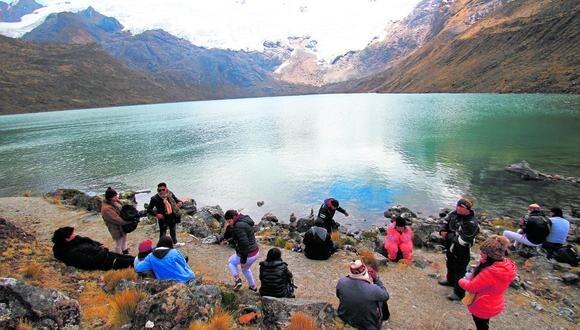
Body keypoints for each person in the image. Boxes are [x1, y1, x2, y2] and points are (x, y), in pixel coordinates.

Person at [459, 235, 517, 330]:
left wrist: (461, 280)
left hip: (483, 305)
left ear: (490, 254)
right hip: (494, 303)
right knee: (484, 323)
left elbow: (471, 287)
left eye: (483, 251)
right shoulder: (505, 266)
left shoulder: (490, 273)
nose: (480, 253)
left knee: (480, 324)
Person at [438, 197, 480, 301]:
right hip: (450, 247)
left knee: (460, 271)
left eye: (462, 206)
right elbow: (445, 222)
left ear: (468, 209)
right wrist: (442, 230)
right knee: (450, 264)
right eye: (458, 205)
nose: (458, 208)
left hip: (462, 251)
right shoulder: (454, 214)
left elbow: (463, 240)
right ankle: (450, 280)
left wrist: (447, 235)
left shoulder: (472, 223)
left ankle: (459, 293)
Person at [336, 260, 390, 330]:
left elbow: (338, 295)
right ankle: (385, 317)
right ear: (365, 272)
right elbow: (386, 296)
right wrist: (376, 279)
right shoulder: (373, 289)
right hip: (367, 325)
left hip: (344, 317)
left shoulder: (341, 281)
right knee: (381, 299)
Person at [52, 226, 134, 270]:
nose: (75, 234)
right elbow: (92, 262)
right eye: (72, 234)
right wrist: (103, 249)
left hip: (105, 254)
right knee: (130, 262)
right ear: (67, 239)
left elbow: (89, 241)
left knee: (130, 258)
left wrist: (100, 245)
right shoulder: (72, 253)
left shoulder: (75, 240)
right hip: (104, 263)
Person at [225, 209, 260, 291]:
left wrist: (243, 261)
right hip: (255, 252)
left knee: (231, 262)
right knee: (245, 269)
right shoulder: (244, 220)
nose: (229, 224)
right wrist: (229, 241)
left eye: (229, 221)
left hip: (248, 254)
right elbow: (241, 237)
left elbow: (244, 244)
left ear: (234, 217)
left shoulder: (238, 226)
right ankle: (253, 287)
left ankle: (238, 281)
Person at [101, 187, 130, 254]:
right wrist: (128, 222)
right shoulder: (106, 209)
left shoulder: (114, 202)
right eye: (115, 196)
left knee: (124, 241)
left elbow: (122, 209)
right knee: (118, 244)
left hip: (122, 227)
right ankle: (119, 257)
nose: (117, 197)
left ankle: (125, 253)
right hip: (115, 228)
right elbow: (117, 219)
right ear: (110, 197)